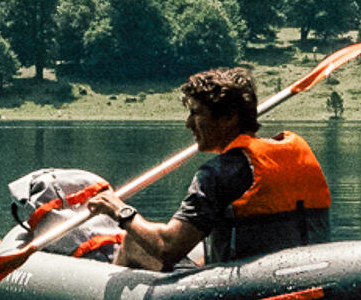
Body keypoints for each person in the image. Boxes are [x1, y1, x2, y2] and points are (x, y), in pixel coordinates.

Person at [86, 65, 331, 270]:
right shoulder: (293, 154)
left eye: (197, 113)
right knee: (200, 250)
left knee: (133, 242)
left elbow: (168, 248)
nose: (188, 124)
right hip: (305, 275)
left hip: (243, 292)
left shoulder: (218, 173)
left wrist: (120, 211)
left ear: (229, 117)